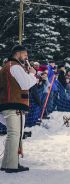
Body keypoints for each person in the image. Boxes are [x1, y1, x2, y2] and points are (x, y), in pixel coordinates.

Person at [0, 45, 37, 173]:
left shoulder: (7, 66)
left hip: (8, 103)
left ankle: (8, 163)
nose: (26, 58)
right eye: (25, 55)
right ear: (18, 53)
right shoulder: (15, 66)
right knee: (15, 134)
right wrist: (32, 75)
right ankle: (11, 165)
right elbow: (25, 84)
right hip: (14, 104)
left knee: (13, 134)